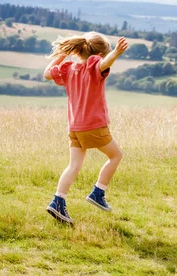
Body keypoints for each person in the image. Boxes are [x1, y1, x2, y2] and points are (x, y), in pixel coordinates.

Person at [43, 32, 128, 225]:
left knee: (74, 166)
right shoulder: (93, 66)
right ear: (98, 54)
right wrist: (115, 53)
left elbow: (47, 73)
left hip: (75, 127)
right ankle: (98, 192)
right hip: (94, 125)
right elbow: (103, 64)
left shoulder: (68, 69)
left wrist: (63, 54)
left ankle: (58, 200)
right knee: (116, 156)